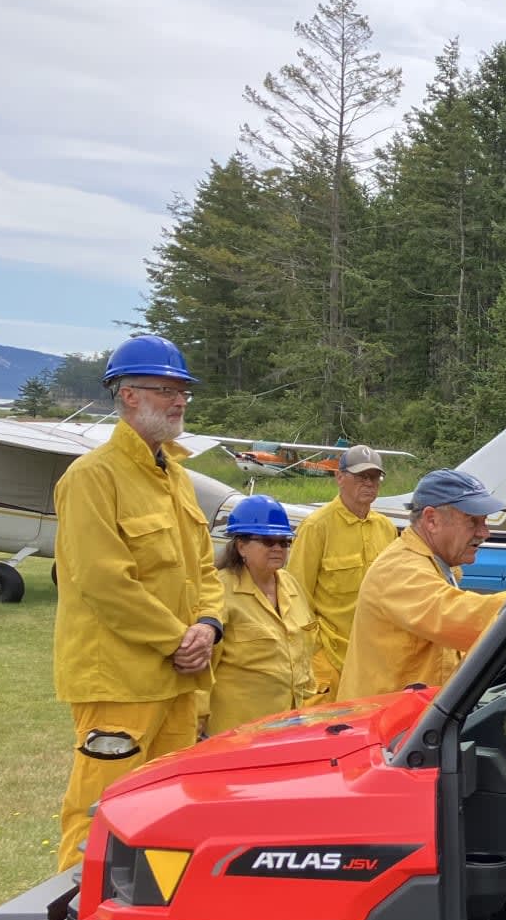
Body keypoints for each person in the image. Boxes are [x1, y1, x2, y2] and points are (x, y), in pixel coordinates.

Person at [50, 334, 224, 871]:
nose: (179, 402)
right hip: (119, 685)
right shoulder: (92, 478)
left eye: (183, 392)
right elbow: (105, 582)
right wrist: (180, 639)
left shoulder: (174, 478)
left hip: (177, 684)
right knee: (100, 815)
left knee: (166, 816)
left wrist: (210, 626)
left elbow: (203, 570)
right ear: (127, 395)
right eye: (167, 390)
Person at [337, 469, 506, 699]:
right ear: (431, 520)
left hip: (412, 722)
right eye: (472, 521)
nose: (485, 532)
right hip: (385, 727)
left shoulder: (437, 566)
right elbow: (463, 619)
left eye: (485, 521)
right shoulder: (399, 570)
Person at [286, 443, 398, 704]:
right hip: (328, 657)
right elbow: (295, 594)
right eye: (361, 476)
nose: (369, 483)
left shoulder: (387, 529)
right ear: (339, 477)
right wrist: (315, 650)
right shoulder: (316, 526)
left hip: (374, 657)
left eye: (374, 477)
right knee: (320, 733)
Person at [206, 494, 316, 734]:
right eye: (268, 541)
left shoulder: (290, 584)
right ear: (241, 545)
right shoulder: (218, 590)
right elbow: (203, 669)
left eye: (284, 542)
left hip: (293, 723)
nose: (278, 548)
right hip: (237, 733)